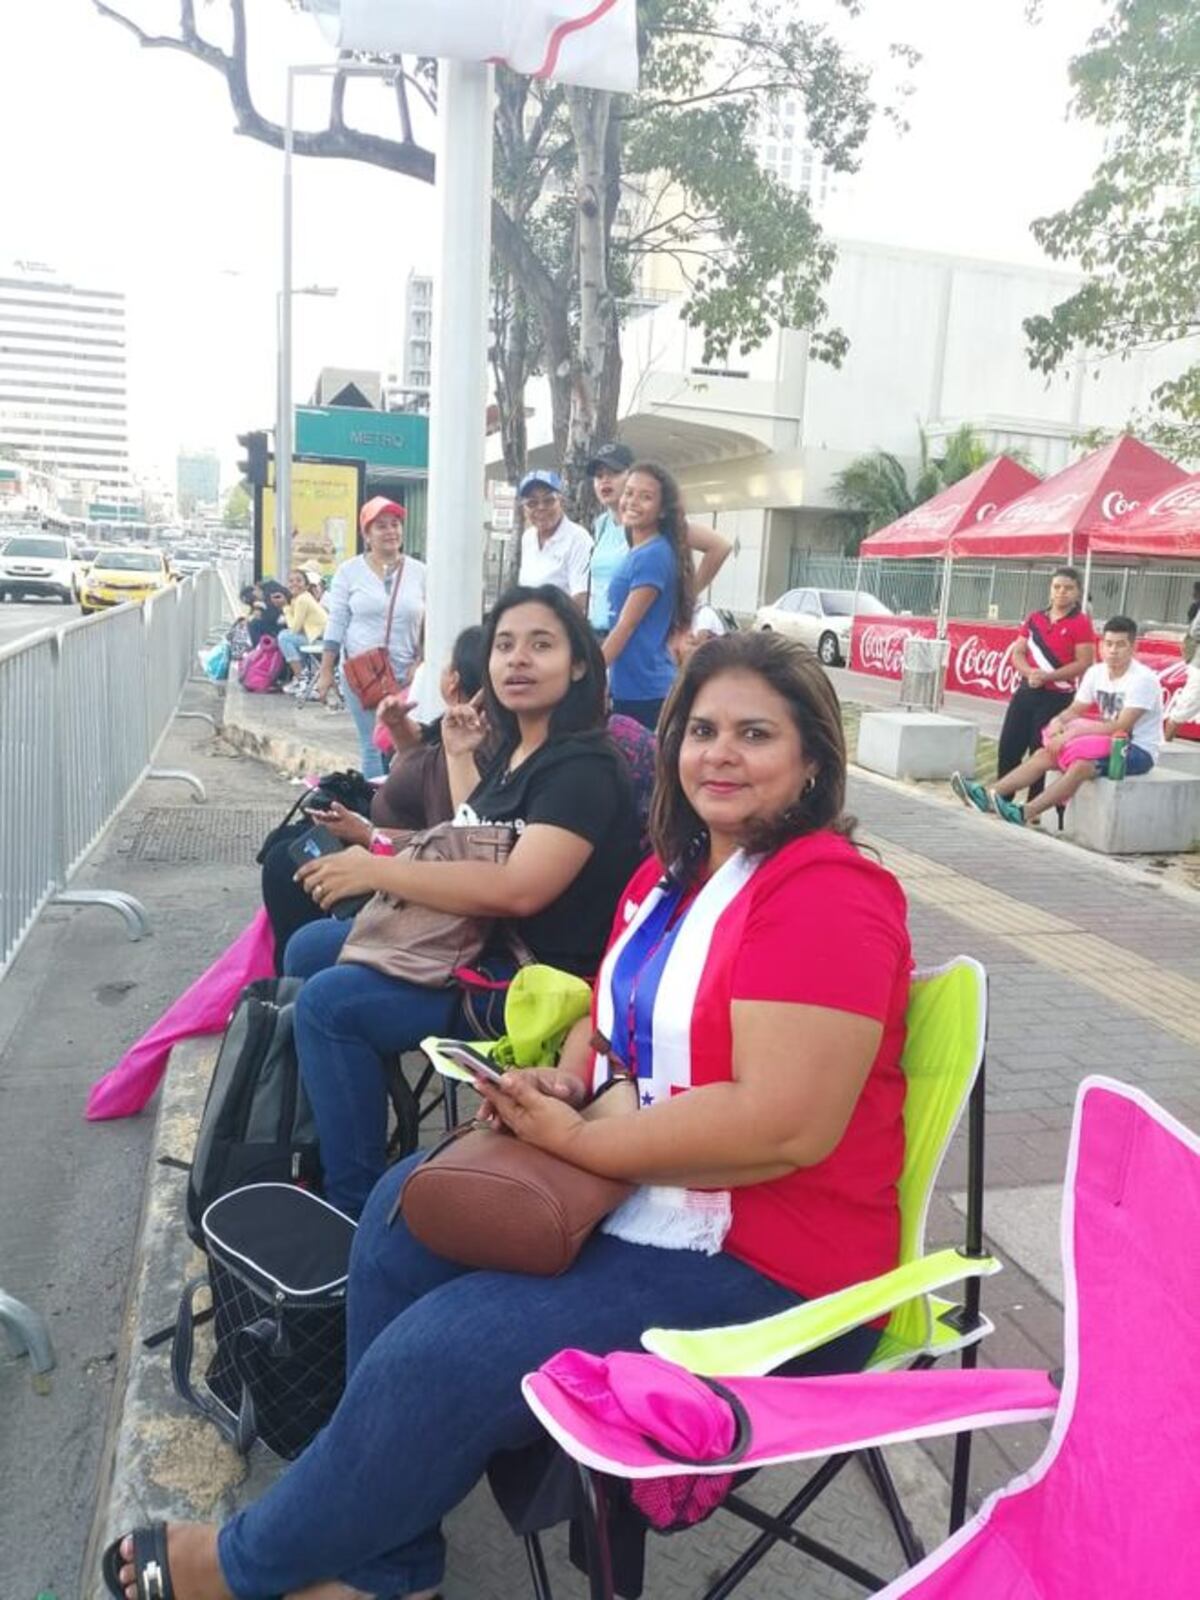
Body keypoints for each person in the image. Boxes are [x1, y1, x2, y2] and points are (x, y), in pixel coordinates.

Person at [105, 630, 913, 1600]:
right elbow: (619, 1031)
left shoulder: (828, 894)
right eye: (701, 730)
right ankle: (389, 1564)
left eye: (755, 733)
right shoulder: (671, 878)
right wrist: (568, 1083)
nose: (721, 753)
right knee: (404, 1215)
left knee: (445, 1349)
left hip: (776, 1269)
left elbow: (787, 1126)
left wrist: (584, 1138)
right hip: (650, 1192)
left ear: (812, 760)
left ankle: (238, 1564)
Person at [284, 585, 642, 1217]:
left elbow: (518, 888)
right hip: (475, 945)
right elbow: (471, 836)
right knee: (309, 947)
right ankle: (337, 1133)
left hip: (528, 986)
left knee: (327, 1008)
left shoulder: (583, 768)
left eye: (541, 645)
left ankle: (353, 1210)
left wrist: (377, 870)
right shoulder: (514, 753)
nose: (517, 660)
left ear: (579, 663)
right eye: (505, 645)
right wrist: (455, 756)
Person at [259, 626, 489, 964]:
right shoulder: (454, 729)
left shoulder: (473, 750)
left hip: (406, 868)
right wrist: (399, 729)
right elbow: (421, 770)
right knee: (285, 848)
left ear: (453, 680)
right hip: (387, 844)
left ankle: (287, 987)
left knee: (287, 872)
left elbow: (452, 840)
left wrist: (369, 837)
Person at [953, 615, 1163, 826]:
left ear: (1133, 647)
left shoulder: (1143, 679)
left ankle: (1025, 812)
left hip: (1137, 749)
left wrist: (1071, 734)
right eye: (1108, 644)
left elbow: (1122, 726)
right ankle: (986, 794)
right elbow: (1074, 709)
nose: (1113, 651)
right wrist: (1058, 722)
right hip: (1107, 742)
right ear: (1101, 646)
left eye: (1121, 645)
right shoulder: (1096, 673)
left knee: (1082, 766)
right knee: (1045, 753)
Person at [315, 497, 427, 778]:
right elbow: (337, 621)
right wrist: (326, 671)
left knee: (408, 745)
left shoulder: (420, 572)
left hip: (407, 676)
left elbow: (431, 620)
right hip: (362, 676)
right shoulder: (348, 572)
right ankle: (374, 811)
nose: (391, 531)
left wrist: (422, 660)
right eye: (381, 526)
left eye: (396, 524)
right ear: (366, 534)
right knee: (373, 745)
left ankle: (399, 808)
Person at [586, 440, 732, 639]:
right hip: (598, 633)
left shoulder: (654, 524)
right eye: (599, 476)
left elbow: (719, 546)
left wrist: (684, 600)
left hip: (636, 636)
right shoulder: (601, 524)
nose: (604, 481)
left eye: (613, 473)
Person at [603, 461, 695, 729]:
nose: (632, 502)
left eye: (646, 497)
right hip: (632, 685)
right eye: (629, 492)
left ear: (662, 509)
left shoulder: (653, 555)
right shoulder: (643, 549)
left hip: (644, 691)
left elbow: (626, 625)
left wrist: (590, 673)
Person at [996, 567, 1095, 800]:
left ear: (1078, 592)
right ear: (1050, 590)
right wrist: (1030, 672)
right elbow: (1018, 652)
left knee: (1040, 750)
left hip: (1057, 697)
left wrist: (1049, 677)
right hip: (1027, 690)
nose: (1061, 592)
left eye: (1068, 588)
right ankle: (1001, 798)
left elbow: (1084, 662)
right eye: (1057, 587)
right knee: (1009, 745)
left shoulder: (1080, 623)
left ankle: (1033, 807)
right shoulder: (1034, 618)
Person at [515, 469, 592, 609]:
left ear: (561, 501)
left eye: (548, 500)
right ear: (523, 509)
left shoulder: (578, 538)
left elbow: (581, 598)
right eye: (532, 503)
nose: (541, 508)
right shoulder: (528, 537)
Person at [277, 570, 329, 694]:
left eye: (299, 580)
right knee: (288, 637)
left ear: (306, 586)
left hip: (321, 640)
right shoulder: (300, 599)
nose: (294, 584)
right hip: (317, 637)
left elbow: (294, 628)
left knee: (284, 637)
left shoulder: (302, 599)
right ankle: (305, 677)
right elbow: (297, 627)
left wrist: (285, 607)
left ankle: (302, 679)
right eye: (291, 581)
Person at [247, 579, 287, 646]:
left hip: (278, 628)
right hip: (278, 627)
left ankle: (258, 647)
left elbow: (272, 617)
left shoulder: (270, 598)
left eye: (256, 590)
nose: (254, 593)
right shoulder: (266, 601)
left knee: (253, 623)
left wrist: (261, 612)